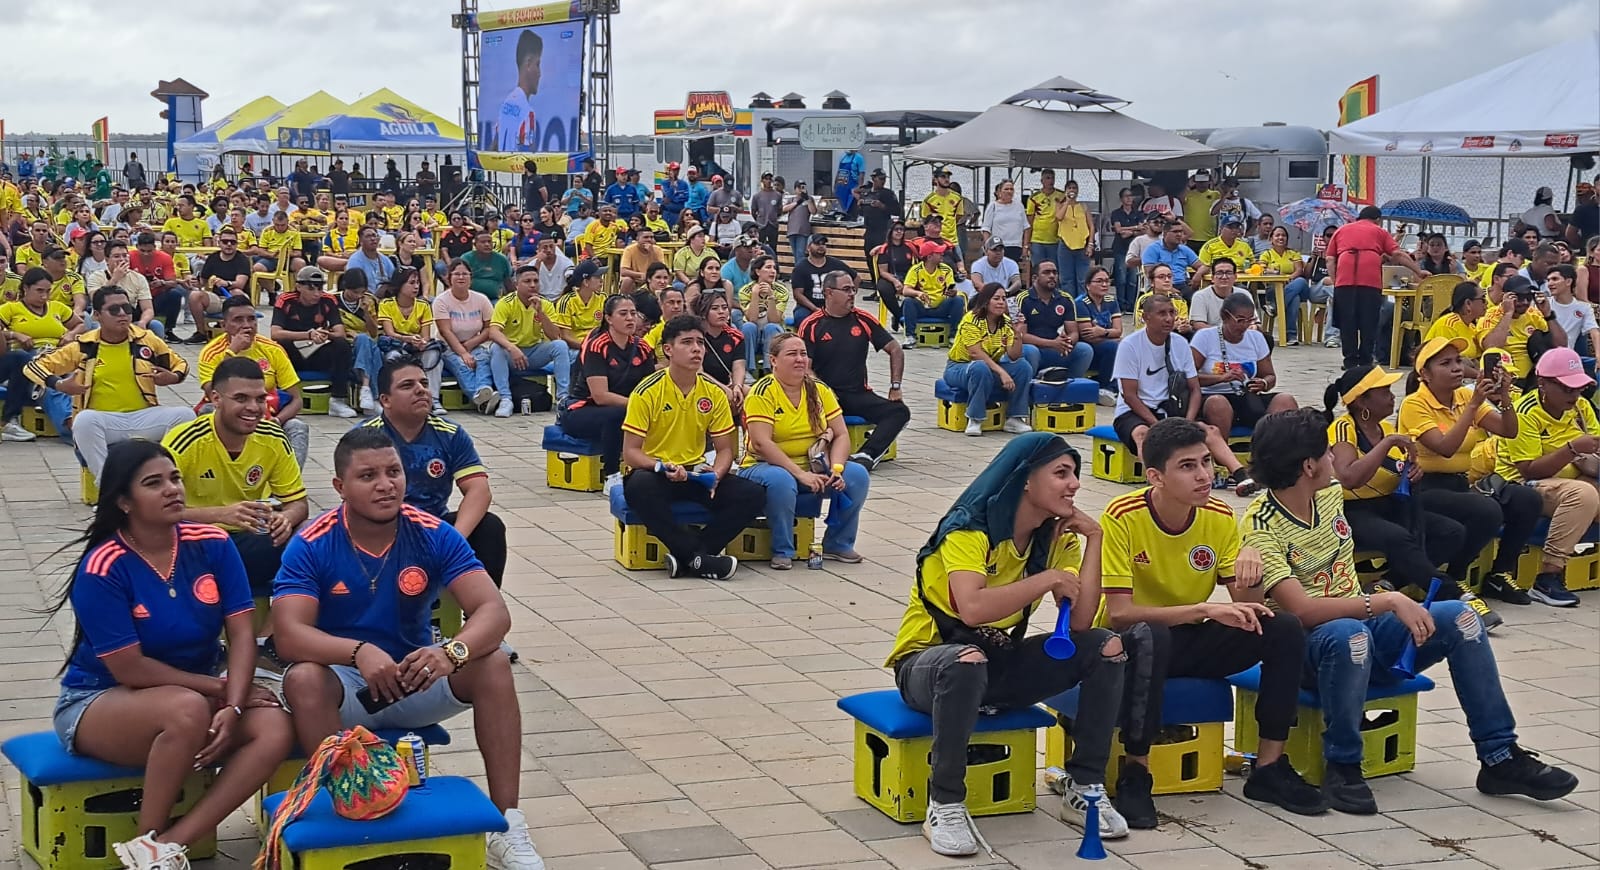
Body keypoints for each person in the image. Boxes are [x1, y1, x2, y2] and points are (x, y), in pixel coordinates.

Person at [1239, 409, 1579, 814]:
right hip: (1311, 651)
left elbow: (1368, 481)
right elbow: (1304, 610)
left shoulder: (1326, 494)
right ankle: (1343, 764)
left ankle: (1499, 756)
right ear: (1308, 465)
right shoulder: (1261, 525)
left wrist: (1406, 463)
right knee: (1349, 633)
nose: (1334, 459)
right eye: (1328, 453)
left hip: (1366, 632)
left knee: (1461, 617)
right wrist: (1388, 599)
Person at [271, 428, 544, 870]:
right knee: (303, 677)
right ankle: (348, 809)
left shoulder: (432, 532)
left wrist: (449, 653)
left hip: (415, 677)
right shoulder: (313, 542)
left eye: (393, 472)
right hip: (345, 687)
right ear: (340, 487)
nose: (385, 484)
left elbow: (494, 611)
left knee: (492, 663)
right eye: (368, 476)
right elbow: (289, 635)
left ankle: (506, 824)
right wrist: (357, 651)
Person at [48, 439, 292, 870]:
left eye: (175, 478)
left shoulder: (213, 543)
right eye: (154, 483)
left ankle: (166, 847)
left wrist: (233, 705)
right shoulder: (103, 567)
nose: (172, 489)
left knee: (273, 725)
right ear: (124, 501)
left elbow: (240, 634)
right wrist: (220, 692)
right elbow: (130, 668)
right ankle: (147, 837)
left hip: (196, 693)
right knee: (186, 709)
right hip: (101, 699)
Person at [885, 435, 1127, 855]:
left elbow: (1083, 621)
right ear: (1024, 481)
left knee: (1105, 646)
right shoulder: (968, 530)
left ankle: (1084, 785)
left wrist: (1095, 539)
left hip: (998, 663)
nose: (1074, 485)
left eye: (1075, 474)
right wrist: (1047, 579)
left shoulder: (1054, 538)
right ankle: (944, 802)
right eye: (1061, 473)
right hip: (928, 665)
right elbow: (972, 608)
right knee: (966, 659)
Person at [1099, 418, 1325, 819]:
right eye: (1188, 466)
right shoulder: (1122, 515)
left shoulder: (1219, 515)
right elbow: (1119, 615)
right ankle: (1136, 773)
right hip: (1129, 646)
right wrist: (1205, 609)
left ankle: (1269, 767)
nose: (1205, 475)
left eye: (1206, 462)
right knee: (1152, 635)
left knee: (1282, 627)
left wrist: (1250, 569)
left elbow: (1246, 606)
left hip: (1187, 641)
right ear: (1156, 476)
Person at [1321, 365, 1501, 628]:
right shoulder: (1344, 428)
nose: (1392, 396)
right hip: (1353, 510)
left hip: (1389, 504)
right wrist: (1386, 445)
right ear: (1361, 402)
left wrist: (1411, 472)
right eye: (1383, 392)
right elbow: (1349, 476)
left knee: (1451, 532)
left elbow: (1394, 471)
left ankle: (1386, 584)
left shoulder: (1384, 427)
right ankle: (1455, 595)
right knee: (1399, 537)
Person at [619, 315, 767, 580]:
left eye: (700, 342)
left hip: (695, 472)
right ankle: (696, 556)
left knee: (752, 494)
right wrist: (661, 466)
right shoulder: (647, 391)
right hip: (655, 471)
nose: (696, 349)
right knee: (640, 487)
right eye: (687, 342)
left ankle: (692, 556)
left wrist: (716, 475)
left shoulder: (712, 391)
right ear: (668, 349)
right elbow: (630, 451)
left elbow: (725, 450)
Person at [1398, 337, 1540, 606]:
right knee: (1485, 510)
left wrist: (1505, 396)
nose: (1457, 368)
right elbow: (1445, 448)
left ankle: (1499, 573)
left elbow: (1509, 430)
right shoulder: (1415, 404)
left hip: (1460, 484)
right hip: (1426, 487)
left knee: (1526, 499)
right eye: (1446, 363)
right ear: (1425, 374)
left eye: (1458, 361)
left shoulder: (1464, 396)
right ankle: (1457, 573)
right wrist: (1474, 405)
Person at [162, 356, 309, 598]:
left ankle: (276, 626)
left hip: (249, 539)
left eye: (260, 399)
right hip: (196, 540)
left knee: (311, 535)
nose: (253, 407)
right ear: (216, 399)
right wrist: (222, 514)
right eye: (241, 398)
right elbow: (155, 513)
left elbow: (298, 503)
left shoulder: (272, 436)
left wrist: (286, 518)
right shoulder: (185, 441)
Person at [361, 360, 509, 594]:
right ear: (385, 400)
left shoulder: (450, 434)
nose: (420, 390)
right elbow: (354, 499)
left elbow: (479, 490)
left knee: (489, 527)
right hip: (381, 529)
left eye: (424, 383)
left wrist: (454, 542)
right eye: (407, 385)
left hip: (433, 528)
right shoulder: (364, 438)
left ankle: (480, 616)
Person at [26, 286, 195, 484]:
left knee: (186, 415)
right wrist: (60, 384)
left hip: (143, 417)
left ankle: (170, 481)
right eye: (114, 310)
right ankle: (108, 488)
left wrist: (173, 377)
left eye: (127, 308)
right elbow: (33, 366)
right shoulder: (84, 346)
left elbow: (180, 364)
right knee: (84, 421)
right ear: (97, 315)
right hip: (105, 421)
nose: (122, 314)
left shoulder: (146, 340)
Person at [736, 333, 870, 568]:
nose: (800, 359)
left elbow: (840, 434)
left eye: (803, 354)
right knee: (781, 480)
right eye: (792, 354)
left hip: (813, 464)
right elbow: (761, 443)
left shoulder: (819, 389)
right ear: (773, 360)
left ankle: (838, 543)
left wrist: (837, 469)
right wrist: (800, 474)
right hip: (762, 466)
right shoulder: (762, 392)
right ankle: (783, 549)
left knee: (857, 475)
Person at [1111, 294, 1256, 494]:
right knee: (1143, 435)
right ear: (1146, 317)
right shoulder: (1130, 345)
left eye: (1172, 312)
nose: (1169, 319)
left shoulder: (1180, 343)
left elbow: (1194, 388)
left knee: (1208, 431)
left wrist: (1187, 422)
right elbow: (1129, 395)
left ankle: (1241, 476)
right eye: (1162, 314)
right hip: (1135, 411)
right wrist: (1157, 424)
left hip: (1172, 407)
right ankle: (1158, 483)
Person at [1488, 348, 1599, 607]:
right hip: (1523, 487)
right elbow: (1530, 470)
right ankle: (1548, 577)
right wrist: (1572, 449)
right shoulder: (1525, 411)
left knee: (1587, 493)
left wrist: (1588, 462)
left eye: (1579, 388)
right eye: (1567, 388)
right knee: (1583, 496)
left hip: (1574, 479)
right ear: (1543, 384)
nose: (1575, 395)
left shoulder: (1582, 407)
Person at [797, 272, 909, 469]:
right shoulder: (812, 325)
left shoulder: (863, 319)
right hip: (824, 396)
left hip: (857, 394)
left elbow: (895, 350)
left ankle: (867, 455)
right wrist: (824, 391)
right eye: (846, 289)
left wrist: (895, 386)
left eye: (853, 289)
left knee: (899, 412)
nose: (852, 294)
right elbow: (806, 368)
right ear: (829, 293)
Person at [198, 295, 312, 465]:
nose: (247, 325)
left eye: (251, 319)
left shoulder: (273, 350)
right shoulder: (211, 353)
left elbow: (296, 399)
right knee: (207, 412)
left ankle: (289, 485)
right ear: (224, 325)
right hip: (229, 415)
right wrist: (232, 351)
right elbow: (214, 394)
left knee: (297, 427)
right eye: (238, 320)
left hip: (266, 415)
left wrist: (277, 421)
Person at [558, 294, 653, 492]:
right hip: (582, 410)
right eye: (623, 314)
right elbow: (600, 396)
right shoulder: (597, 346)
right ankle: (612, 476)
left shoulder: (643, 348)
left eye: (633, 314)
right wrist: (637, 405)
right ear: (609, 318)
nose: (630, 318)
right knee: (617, 415)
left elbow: (649, 388)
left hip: (626, 407)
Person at [1192, 292, 1298, 439]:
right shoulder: (1205, 337)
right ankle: (1221, 455)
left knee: (1285, 400)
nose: (1244, 325)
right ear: (1225, 317)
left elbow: (1270, 376)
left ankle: (1272, 452)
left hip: (1247, 397)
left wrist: (1263, 383)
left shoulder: (1256, 338)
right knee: (1218, 403)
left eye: (1249, 320)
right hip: (1213, 395)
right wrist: (1221, 378)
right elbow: (1189, 378)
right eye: (1240, 320)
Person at [1328, 206, 1423, 370]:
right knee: (1369, 322)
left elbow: (1330, 259)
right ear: (1378, 220)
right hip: (1369, 282)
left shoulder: (1341, 230)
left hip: (1345, 283)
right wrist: (1418, 271)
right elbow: (1398, 255)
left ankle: (1349, 361)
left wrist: (1336, 281)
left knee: (1347, 322)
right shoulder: (1379, 232)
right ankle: (1365, 360)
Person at [1, 267, 81, 440]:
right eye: (39, 291)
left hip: (59, 355)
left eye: (48, 291)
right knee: (49, 384)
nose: (44, 296)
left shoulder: (56, 307)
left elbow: (81, 324)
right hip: (31, 361)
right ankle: (70, 427)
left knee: (79, 378)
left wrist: (70, 334)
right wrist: (15, 334)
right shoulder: (11, 309)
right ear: (25, 288)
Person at [270, 266, 358, 419]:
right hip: (294, 352)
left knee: (342, 345)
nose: (317, 294)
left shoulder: (328, 300)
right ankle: (283, 395)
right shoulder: (285, 300)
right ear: (299, 286)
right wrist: (308, 335)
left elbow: (340, 333)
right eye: (311, 289)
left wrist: (326, 335)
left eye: (319, 288)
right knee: (280, 345)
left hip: (317, 350)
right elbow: (275, 333)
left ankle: (338, 399)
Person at [947, 283, 1034, 437]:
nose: (1001, 302)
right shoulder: (971, 320)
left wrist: (1017, 333)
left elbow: (1014, 355)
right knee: (979, 367)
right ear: (986, 301)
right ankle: (974, 418)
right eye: (996, 298)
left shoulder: (1006, 321)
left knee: (1023, 367)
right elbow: (975, 353)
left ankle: (1015, 417)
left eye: (1003, 298)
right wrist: (1002, 372)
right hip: (959, 367)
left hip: (989, 367)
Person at [488, 264, 573, 414]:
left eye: (536, 281)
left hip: (534, 352)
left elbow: (555, 336)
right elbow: (493, 332)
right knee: (496, 348)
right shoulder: (506, 303)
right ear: (516, 284)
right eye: (527, 281)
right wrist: (512, 348)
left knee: (560, 346)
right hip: (512, 355)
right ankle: (505, 399)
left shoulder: (545, 304)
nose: (533, 285)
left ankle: (563, 398)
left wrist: (540, 313)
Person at [434, 259, 501, 414]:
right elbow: (445, 331)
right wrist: (463, 352)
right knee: (462, 365)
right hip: (448, 346)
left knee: (483, 359)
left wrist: (470, 345)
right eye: (457, 274)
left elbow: (489, 328)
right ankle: (480, 397)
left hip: (474, 342)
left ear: (471, 278)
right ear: (449, 278)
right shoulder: (441, 301)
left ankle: (483, 391)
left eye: (465, 274)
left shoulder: (481, 299)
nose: (461, 277)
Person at [376, 267, 446, 408]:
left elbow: (425, 336)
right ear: (400, 285)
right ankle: (399, 399)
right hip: (396, 345)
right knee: (393, 358)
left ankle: (433, 399)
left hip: (416, 347)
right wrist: (407, 339)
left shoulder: (423, 305)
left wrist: (421, 343)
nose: (416, 287)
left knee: (434, 355)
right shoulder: (386, 304)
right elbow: (390, 333)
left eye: (418, 283)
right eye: (411, 283)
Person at [1425, 280, 1515, 378]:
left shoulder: (1471, 327)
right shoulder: (1447, 325)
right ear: (1468, 303)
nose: (1487, 304)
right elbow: (1448, 363)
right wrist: (1481, 376)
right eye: (1483, 299)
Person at [1018, 260, 1092, 377]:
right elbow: (1021, 336)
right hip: (1034, 349)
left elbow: (1073, 332)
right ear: (1034, 278)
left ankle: (1069, 386)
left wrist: (1066, 342)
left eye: (1054, 272)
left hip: (1057, 348)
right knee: (1030, 351)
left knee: (1084, 350)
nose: (1052, 276)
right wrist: (1052, 343)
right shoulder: (1022, 299)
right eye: (1046, 273)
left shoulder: (1066, 299)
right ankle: (1029, 389)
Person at [1499, 275, 1565, 382]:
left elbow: (1561, 345)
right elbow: (1490, 346)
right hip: (1510, 378)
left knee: (1538, 337)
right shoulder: (1492, 315)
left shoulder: (1534, 314)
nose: (1525, 302)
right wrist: (1508, 313)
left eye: (1529, 297)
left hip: (1537, 376)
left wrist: (1548, 314)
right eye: (1519, 297)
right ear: (1505, 297)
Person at [691, 290, 749, 409]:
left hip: (729, 383)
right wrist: (724, 390)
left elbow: (739, 366)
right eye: (715, 308)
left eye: (724, 307)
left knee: (753, 395)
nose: (721, 312)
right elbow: (699, 372)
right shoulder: (695, 337)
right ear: (703, 313)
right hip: (701, 384)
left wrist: (737, 386)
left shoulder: (736, 336)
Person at [1074, 266, 1123, 405]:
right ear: (1088, 285)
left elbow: (1119, 330)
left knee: (1125, 346)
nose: (1104, 284)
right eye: (1099, 281)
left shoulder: (1111, 300)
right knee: (1114, 347)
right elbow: (1088, 335)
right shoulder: (1080, 303)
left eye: (1107, 281)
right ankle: (1107, 388)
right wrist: (1112, 336)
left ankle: (1119, 388)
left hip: (1105, 344)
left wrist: (1103, 332)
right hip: (1089, 349)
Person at [737, 256, 791, 374]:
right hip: (753, 336)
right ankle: (748, 370)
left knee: (771, 327)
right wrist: (755, 295)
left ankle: (770, 369)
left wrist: (771, 297)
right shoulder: (745, 291)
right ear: (757, 271)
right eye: (768, 267)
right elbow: (752, 319)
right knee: (748, 327)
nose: (773, 271)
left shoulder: (782, 291)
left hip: (773, 335)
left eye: (774, 268)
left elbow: (775, 320)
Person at [901, 243, 963, 341]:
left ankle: (953, 335)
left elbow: (952, 287)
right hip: (922, 307)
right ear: (929, 257)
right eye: (938, 253)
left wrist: (953, 292)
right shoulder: (916, 270)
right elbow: (905, 290)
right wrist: (918, 293)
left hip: (941, 307)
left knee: (958, 300)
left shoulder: (946, 269)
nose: (942, 254)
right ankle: (910, 336)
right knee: (908, 301)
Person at [788, 234, 857, 319]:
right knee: (800, 316)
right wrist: (815, 309)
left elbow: (857, 278)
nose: (821, 246)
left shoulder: (836, 264)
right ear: (808, 247)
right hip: (808, 307)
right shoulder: (800, 268)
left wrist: (849, 295)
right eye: (817, 244)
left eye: (823, 244)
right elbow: (798, 294)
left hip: (833, 305)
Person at [551, 259, 607, 349]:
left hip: (599, 345)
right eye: (597, 277)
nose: (601, 280)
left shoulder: (603, 298)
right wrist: (586, 348)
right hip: (576, 348)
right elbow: (565, 336)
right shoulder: (566, 301)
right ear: (586, 282)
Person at [1053, 180, 1095, 293]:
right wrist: (1067, 202)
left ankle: (1082, 304)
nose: (1072, 190)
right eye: (1070, 188)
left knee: (1083, 279)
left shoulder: (1083, 206)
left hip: (1082, 245)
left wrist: (1090, 244)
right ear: (1066, 190)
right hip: (1065, 245)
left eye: (1074, 188)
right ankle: (1069, 304)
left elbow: (1091, 226)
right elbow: (1059, 217)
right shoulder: (1060, 205)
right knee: (1067, 279)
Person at [1546, 264, 1597, 354]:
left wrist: (1599, 355)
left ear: (1568, 282)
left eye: (1555, 279)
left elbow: (1594, 333)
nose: (1550, 283)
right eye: (1548, 280)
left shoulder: (1584, 308)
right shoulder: (1543, 304)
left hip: (1569, 357)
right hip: (1545, 355)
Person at [1141, 219, 1199, 298]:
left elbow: (1203, 266)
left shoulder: (1184, 249)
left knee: (1198, 299)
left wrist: (1198, 275)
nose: (1179, 234)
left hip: (1182, 284)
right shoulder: (1152, 249)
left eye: (1181, 232)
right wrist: (1170, 289)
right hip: (1159, 286)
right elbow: (1149, 274)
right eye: (1175, 232)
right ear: (1165, 233)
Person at [460, 230, 514, 302]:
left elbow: (508, 282)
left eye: (489, 242)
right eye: (483, 242)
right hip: (470, 299)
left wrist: (513, 300)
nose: (487, 244)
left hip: (494, 299)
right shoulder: (466, 258)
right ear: (475, 245)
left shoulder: (502, 259)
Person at [782, 181, 817, 268]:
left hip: (803, 230)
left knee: (800, 253)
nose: (801, 189)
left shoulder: (809, 199)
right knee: (795, 253)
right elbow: (784, 209)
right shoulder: (792, 199)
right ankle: (798, 270)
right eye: (799, 187)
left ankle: (800, 272)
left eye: (803, 187)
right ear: (795, 189)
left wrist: (807, 199)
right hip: (792, 230)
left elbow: (813, 211)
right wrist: (797, 202)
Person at [616, 229, 661, 294]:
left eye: (651, 237)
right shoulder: (629, 250)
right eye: (646, 237)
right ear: (637, 239)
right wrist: (641, 275)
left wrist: (652, 252)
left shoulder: (657, 250)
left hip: (651, 279)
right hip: (634, 279)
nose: (649, 240)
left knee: (660, 280)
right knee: (627, 280)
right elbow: (623, 271)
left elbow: (661, 269)